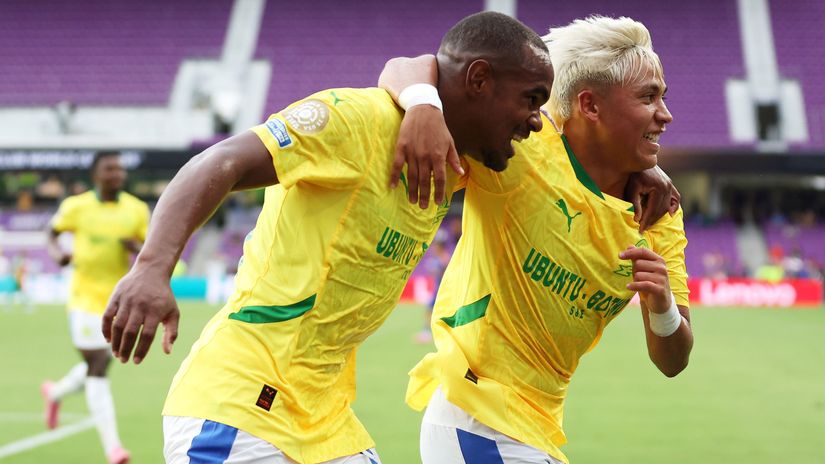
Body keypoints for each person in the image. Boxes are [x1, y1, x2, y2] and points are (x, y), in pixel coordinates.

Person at [101, 12, 554, 464]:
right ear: (479, 80)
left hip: (328, 423)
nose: (535, 121)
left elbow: (414, 65)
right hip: (240, 410)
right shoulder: (355, 120)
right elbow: (220, 161)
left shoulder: (460, 163)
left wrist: (629, 169)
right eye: (530, 99)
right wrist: (151, 268)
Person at [380, 15, 692, 463]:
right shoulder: (522, 146)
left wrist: (661, 307)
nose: (666, 114)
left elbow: (674, 359)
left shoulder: (657, 211)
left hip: (535, 430)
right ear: (590, 106)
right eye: (648, 97)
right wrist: (424, 105)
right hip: (475, 415)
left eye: (663, 97)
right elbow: (405, 67)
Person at [43, 151, 149, 464]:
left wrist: (136, 248)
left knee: (99, 363)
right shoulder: (76, 207)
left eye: (119, 169)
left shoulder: (136, 209)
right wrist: (56, 253)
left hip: (119, 300)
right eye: (109, 169)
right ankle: (113, 448)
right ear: (96, 175)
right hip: (84, 299)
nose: (117, 174)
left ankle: (55, 393)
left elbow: (153, 247)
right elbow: (51, 232)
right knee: (99, 366)